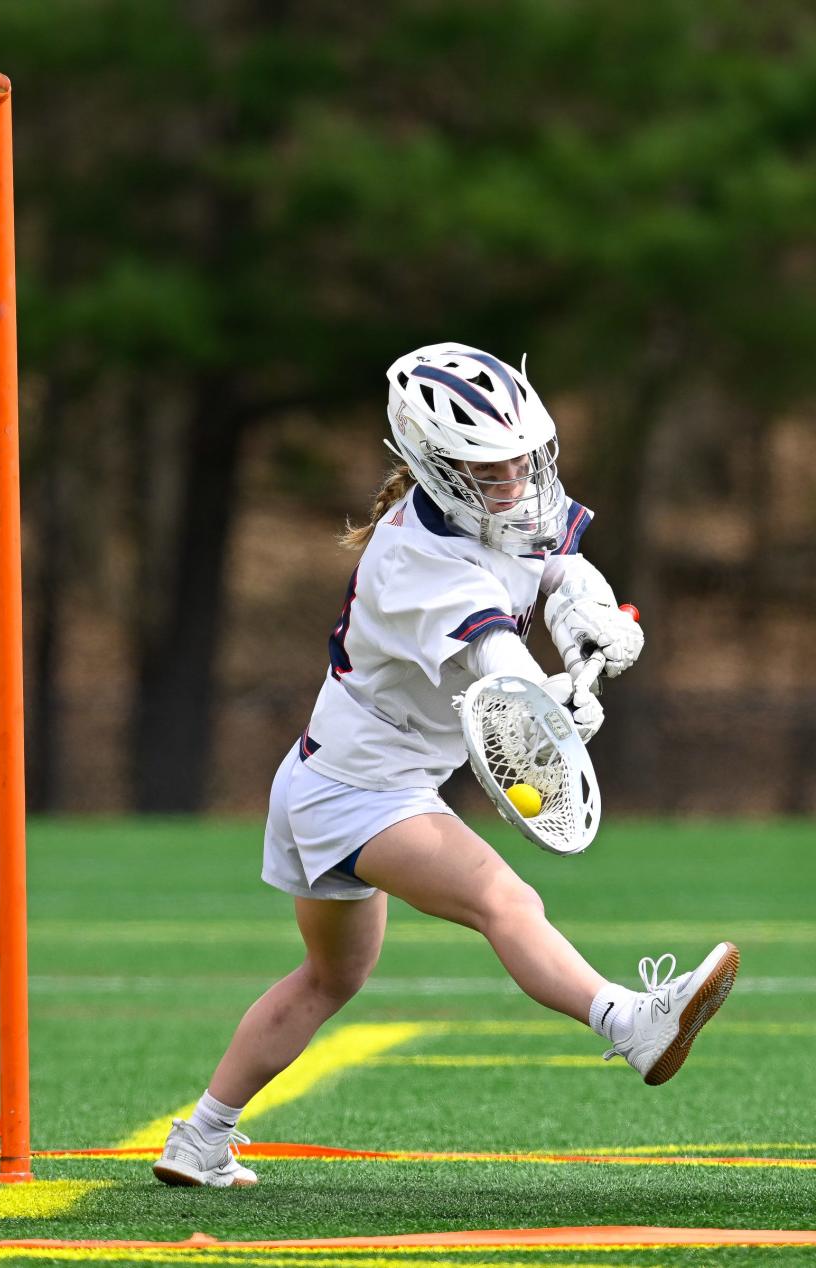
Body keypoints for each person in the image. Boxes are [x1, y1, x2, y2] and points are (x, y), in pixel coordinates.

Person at [153, 342, 740, 1189]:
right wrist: (557, 699)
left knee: (329, 978)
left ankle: (200, 1136)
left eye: (521, 457)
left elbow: (561, 562)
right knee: (506, 899)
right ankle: (630, 1021)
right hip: (358, 790)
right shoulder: (416, 565)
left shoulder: (509, 498)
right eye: (488, 466)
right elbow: (501, 672)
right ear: (435, 467)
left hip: (334, 777)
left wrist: (591, 615)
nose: (514, 478)